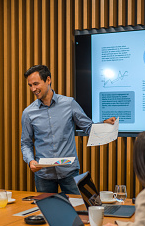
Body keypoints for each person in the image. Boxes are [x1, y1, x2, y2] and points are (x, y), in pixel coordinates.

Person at [21, 64, 115, 194]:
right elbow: (25, 143)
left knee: (78, 210)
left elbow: (88, 127)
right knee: (48, 212)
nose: (33, 89)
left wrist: (104, 124)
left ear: (48, 80)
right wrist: (31, 161)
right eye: (30, 85)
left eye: (36, 84)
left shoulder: (69, 103)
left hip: (69, 172)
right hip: (44, 176)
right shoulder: (28, 113)